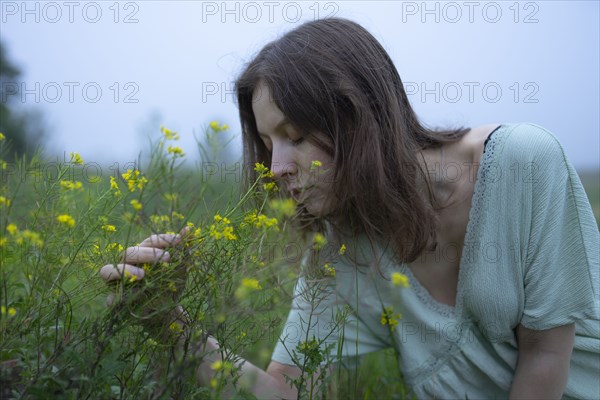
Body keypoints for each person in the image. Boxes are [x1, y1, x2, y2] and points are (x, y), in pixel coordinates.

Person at [100, 18, 600, 398]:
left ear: (360, 119)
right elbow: (285, 392)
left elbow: (546, 356)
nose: (275, 167)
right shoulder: (341, 248)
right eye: (268, 142)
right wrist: (168, 321)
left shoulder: (522, 163)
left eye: (294, 136)